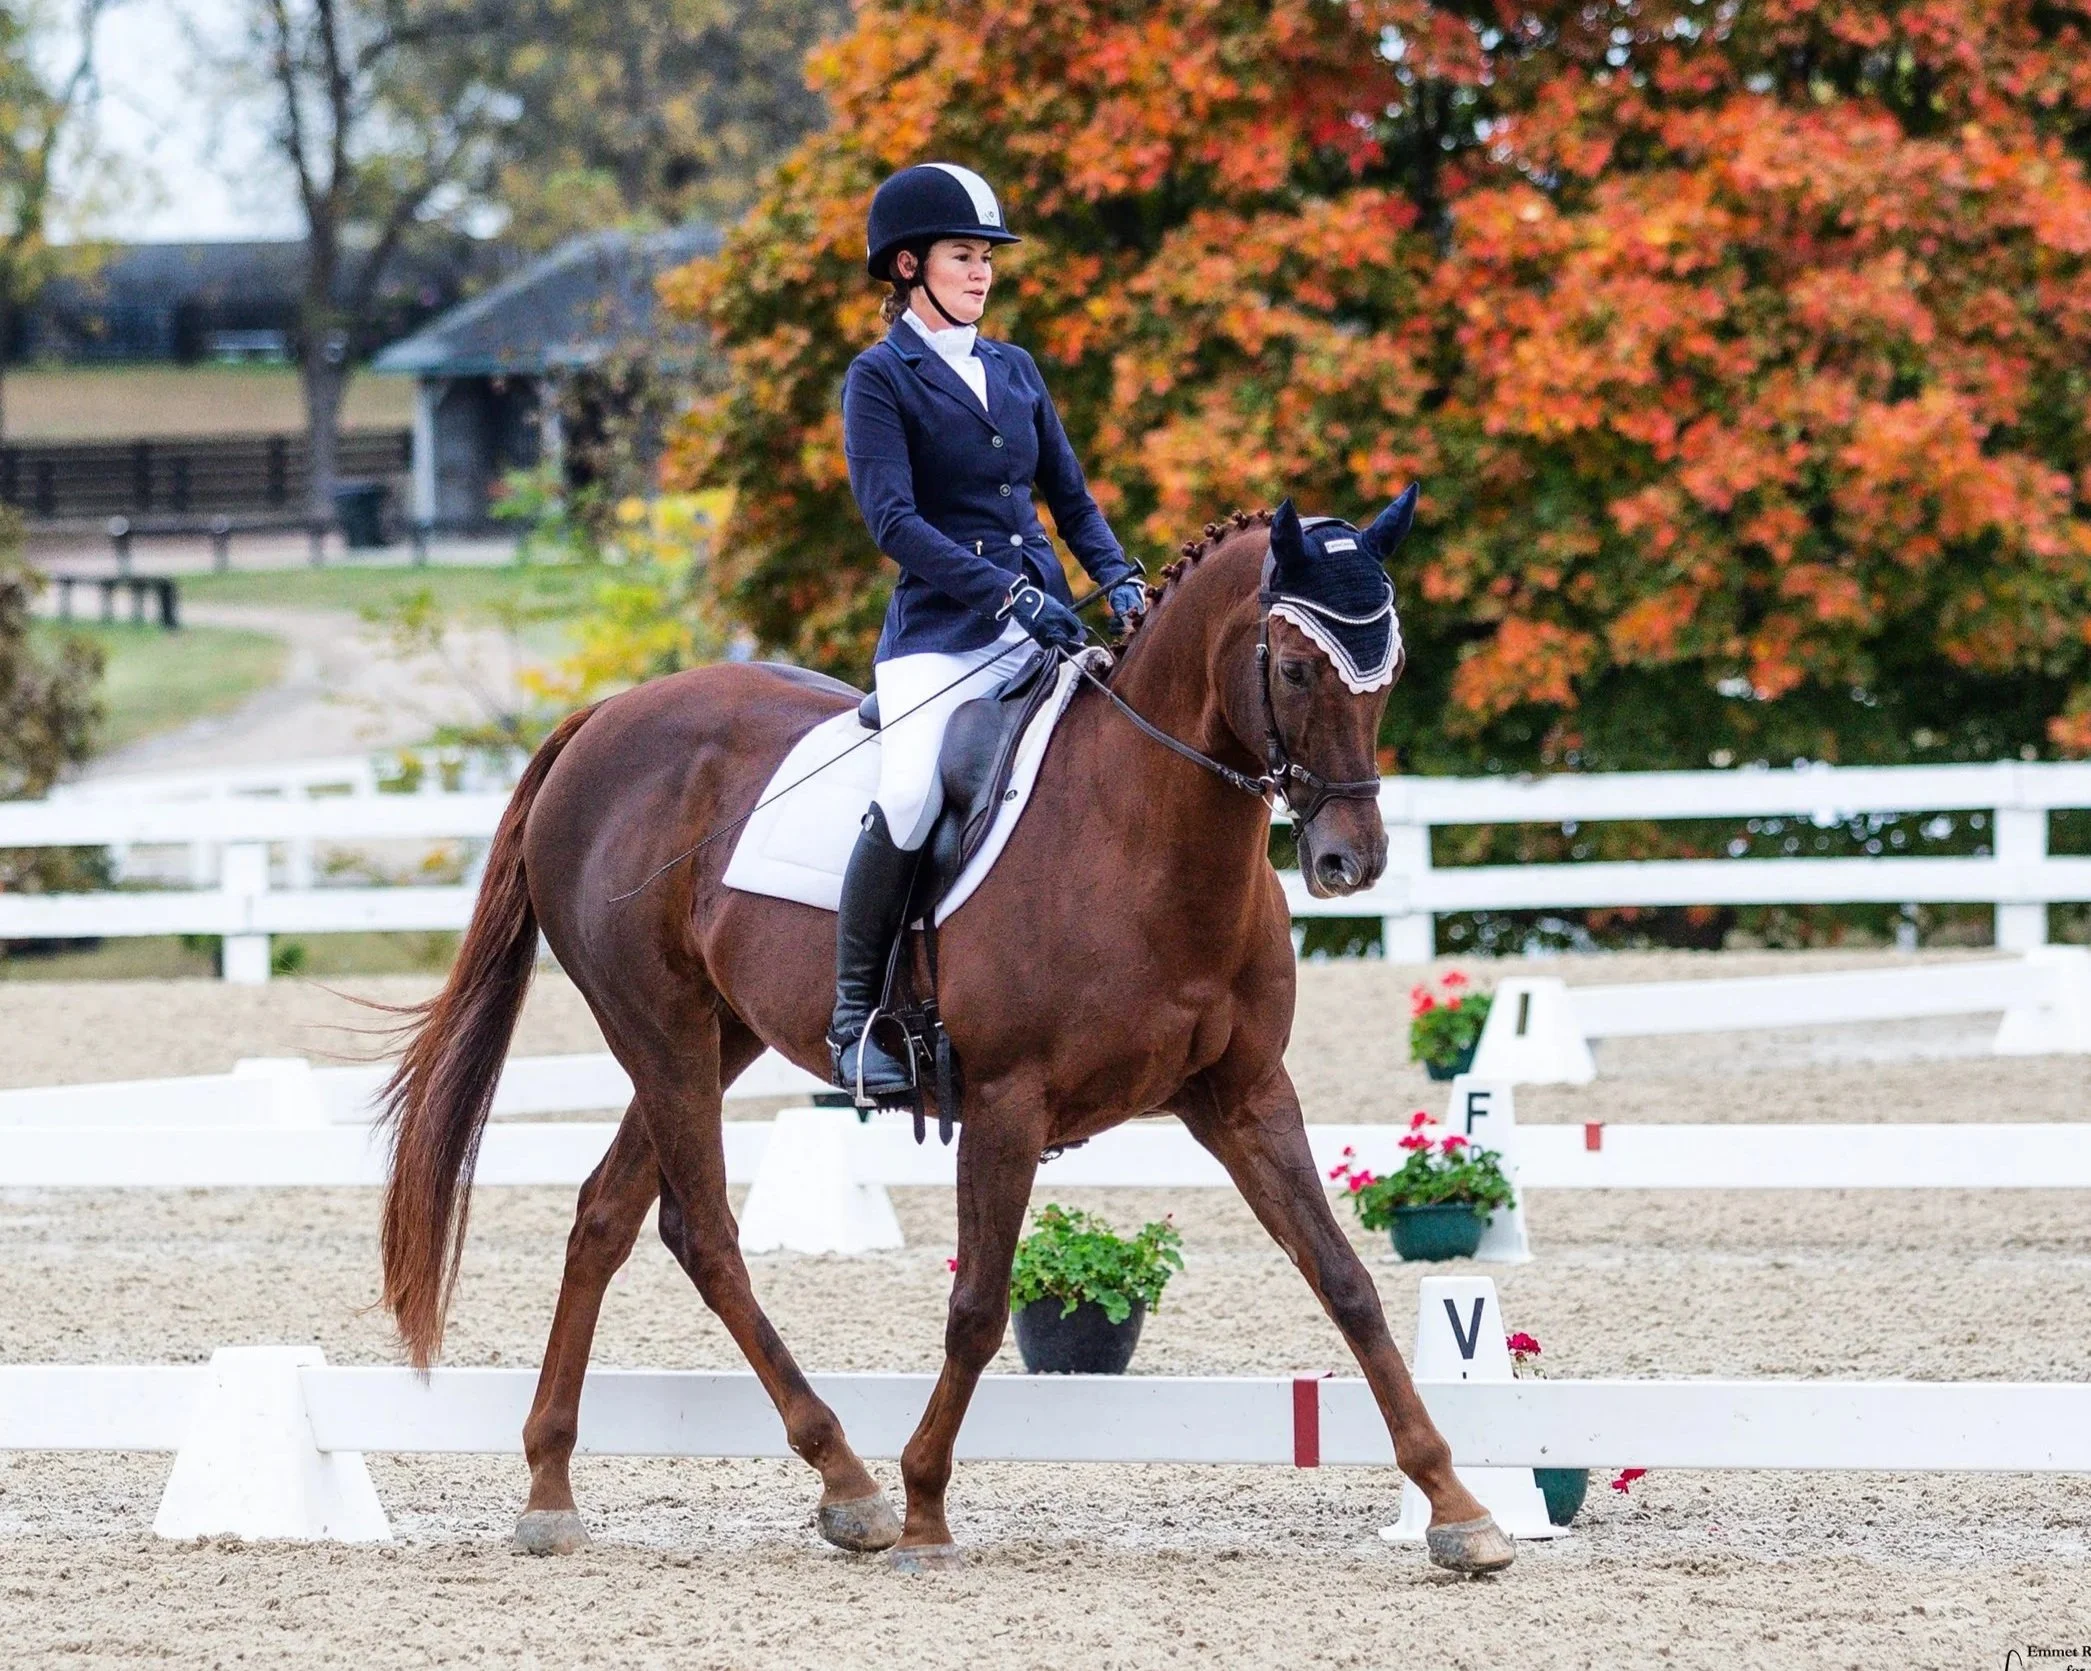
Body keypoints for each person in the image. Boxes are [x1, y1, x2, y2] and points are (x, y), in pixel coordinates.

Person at [829, 161, 1147, 1100]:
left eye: (986, 258)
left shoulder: (1013, 368)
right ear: (906, 267)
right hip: (940, 636)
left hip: (1043, 626)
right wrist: (1005, 596)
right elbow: (893, 522)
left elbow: (1072, 500)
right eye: (963, 256)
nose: (981, 274)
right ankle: (854, 1020)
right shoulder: (879, 377)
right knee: (912, 792)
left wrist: (1120, 579)